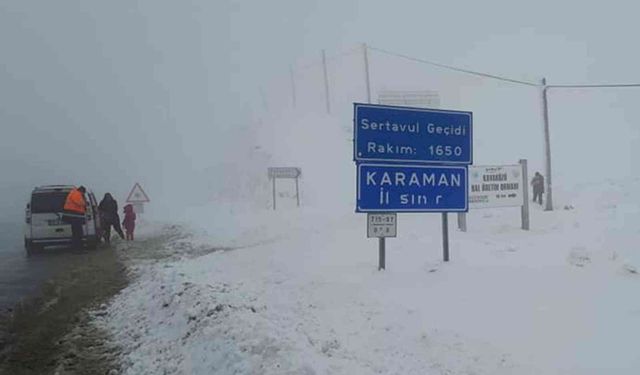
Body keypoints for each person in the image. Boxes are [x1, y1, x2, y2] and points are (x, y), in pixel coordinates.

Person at [63, 185, 87, 251]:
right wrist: (84, 203)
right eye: (83, 193)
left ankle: (77, 248)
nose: (83, 194)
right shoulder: (76, 193)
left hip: (74, 215)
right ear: (81, 191)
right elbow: (80, 203)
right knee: (78, 233)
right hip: (75, 215)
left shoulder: (74, 193)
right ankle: (78, 249)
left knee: (76, 233)